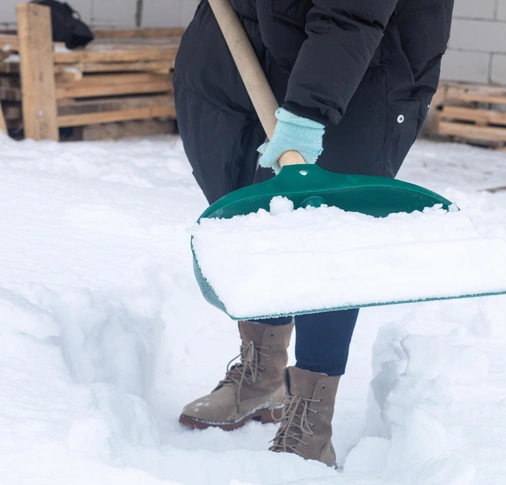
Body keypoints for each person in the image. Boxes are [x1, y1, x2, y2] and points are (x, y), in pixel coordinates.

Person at [173, 0, 453, 467]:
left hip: (357, 65)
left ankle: (312, 416)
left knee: (327, 237)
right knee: (254, 212)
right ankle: (262, 374)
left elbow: (353, 13)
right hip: (235, 48)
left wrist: (307, 111)